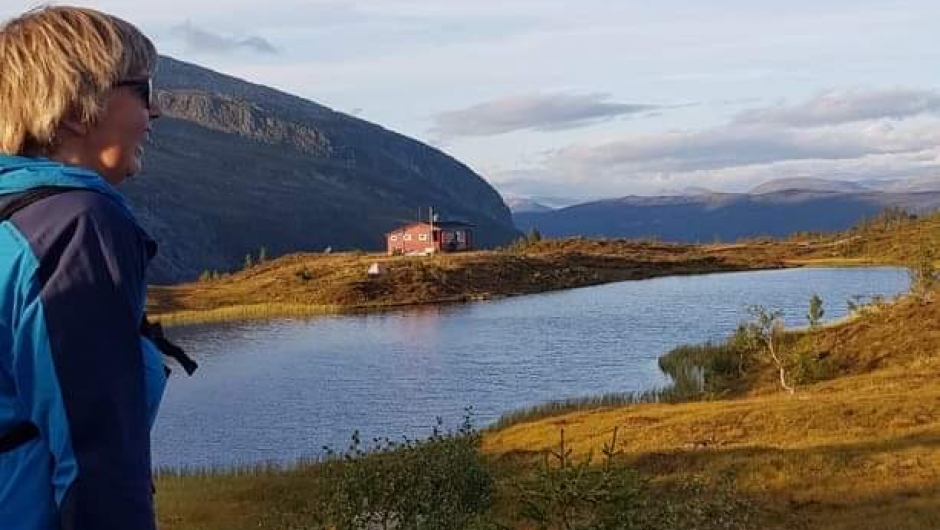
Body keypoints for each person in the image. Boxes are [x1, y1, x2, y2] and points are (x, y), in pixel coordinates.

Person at [0, 6, 188, 530]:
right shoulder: (74, 225)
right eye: (143, 91)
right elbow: (96, 457)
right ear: (73, 112)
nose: (156, 113)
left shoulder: (11, 220)